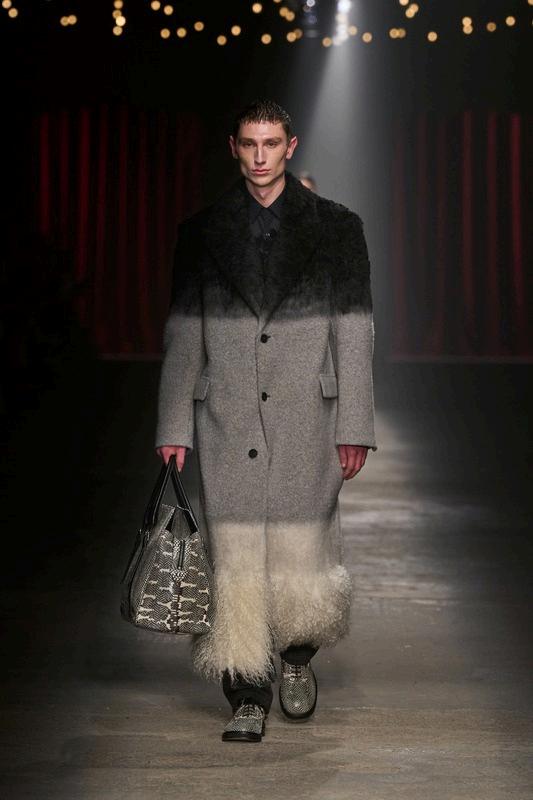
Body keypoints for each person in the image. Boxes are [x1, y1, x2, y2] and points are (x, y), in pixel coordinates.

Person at [155, 99, 377, 743]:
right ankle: (247, 694)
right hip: (226, 415)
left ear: (290, 146)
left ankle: (297, 658)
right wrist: (173, 423)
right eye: (249, 144)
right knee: (234, 558)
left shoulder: (337, 227)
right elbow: (183, 331)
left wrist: (355, 424)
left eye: (271, 144)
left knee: (303, 549)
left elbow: (354, 329)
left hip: (308, 412)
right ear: (233, 147)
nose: (259, 156)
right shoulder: (202, 232)